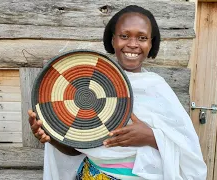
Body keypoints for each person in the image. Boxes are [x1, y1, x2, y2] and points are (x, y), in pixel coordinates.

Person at [28, 5, 207, 180]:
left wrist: (151, 137)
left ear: (152, 43)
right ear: (112, 39)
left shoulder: (156, 88)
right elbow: (76, 148)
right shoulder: (87, 86)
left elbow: (187, 150)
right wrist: (51, 137)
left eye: (142, 38)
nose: (133, 44)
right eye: (124, 36)